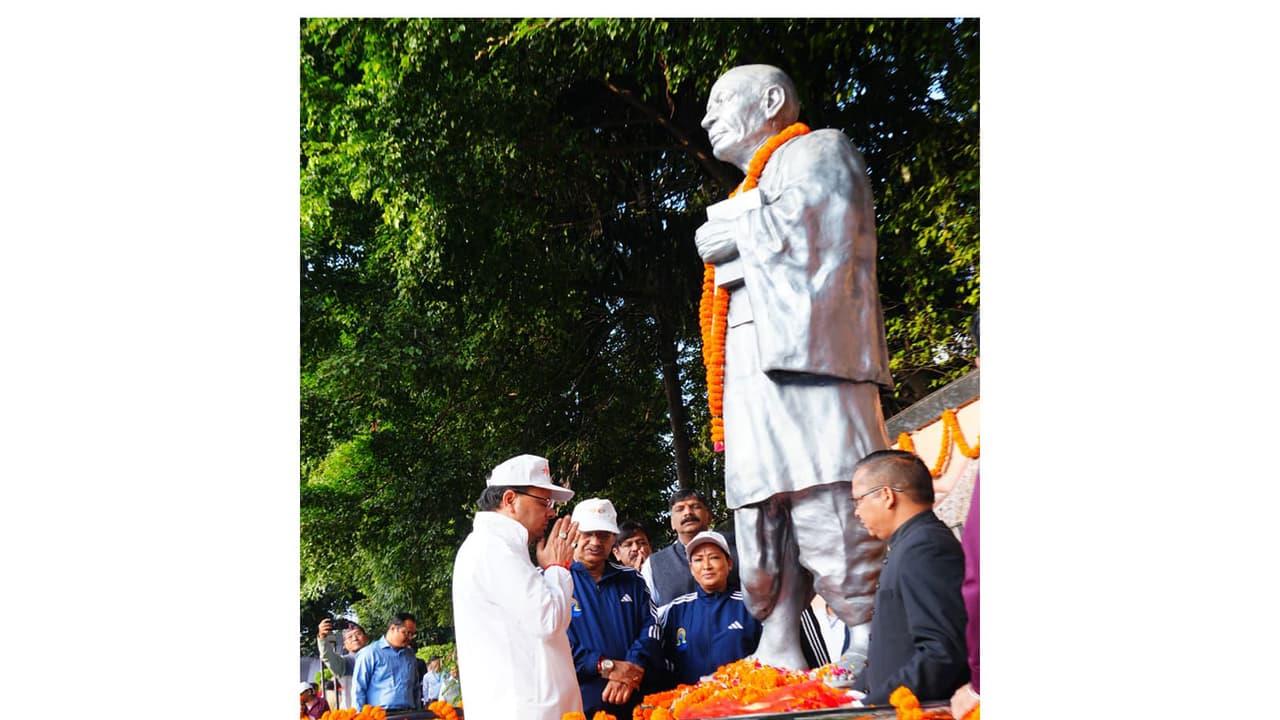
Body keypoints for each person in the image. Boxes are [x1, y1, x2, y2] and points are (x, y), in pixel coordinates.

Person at [694, 63, 891, 669]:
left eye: (723, 101)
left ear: (773, 100)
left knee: (826, 489)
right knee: (760, 507)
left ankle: (866, 631)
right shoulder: (748, 189)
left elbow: (819, 233)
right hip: (751, 371)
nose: (708, 118)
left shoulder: (817, 150)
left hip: (812, 371)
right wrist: (735, 222)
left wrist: (728, 226)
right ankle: (778, 638)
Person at [452, 453, 583, 720]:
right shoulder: (492, 548)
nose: (551, 512)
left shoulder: (503, 547)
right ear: (510, 499)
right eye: (544, 502)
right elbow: (547, 620)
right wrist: (558, 568)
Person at [850, 450, 968, 704]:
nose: (857, 512)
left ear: (886, 495)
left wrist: (871, 705)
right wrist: (855, 693)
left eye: (857, 500)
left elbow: (942, 651)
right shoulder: (909, 544)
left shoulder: (925, 547)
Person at [565, 497, 661, 718]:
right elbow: (554, 641)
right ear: (573, 534)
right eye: (588, 533)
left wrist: (631, 666)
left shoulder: (632, 579)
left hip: (635, 700)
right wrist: (603, 666)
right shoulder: (555, 579)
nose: (596, 542)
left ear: (613, 540)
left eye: (603, 535)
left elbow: (652, 627)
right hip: (579, 703)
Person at [656, 530, 761, 685]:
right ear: (691, 569)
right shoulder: (675, 610)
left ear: (729, 563)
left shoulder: (750, 606)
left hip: (743, 701)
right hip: (690, 704)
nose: (706, 566)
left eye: (714, 558)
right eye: (698, 560)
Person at [642, 489, 739, 606]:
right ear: (672, 523)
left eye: (695, 506)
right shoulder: (654, 565)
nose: (688, 513)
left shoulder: (738, 552)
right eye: (680, 509)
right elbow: (648, 613)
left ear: (709, 516)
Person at [351, 612, 421, 711]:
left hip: (409, 713)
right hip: (380, 715)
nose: (409, 638)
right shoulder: (370, 653)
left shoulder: (410, 655)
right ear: (392, 628)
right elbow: (358, 689)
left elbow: (415, 687)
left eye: (412, 634)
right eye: (406, 632)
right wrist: (359, 716)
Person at [317, 618, 370, 709]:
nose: (355, 638)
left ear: (366, 638)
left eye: (358, 634)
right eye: (350, 637)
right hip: (354, 714)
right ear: (345, 645)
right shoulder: (344, 663)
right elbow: (327, 656)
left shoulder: (379, 658)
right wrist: (322, 637)